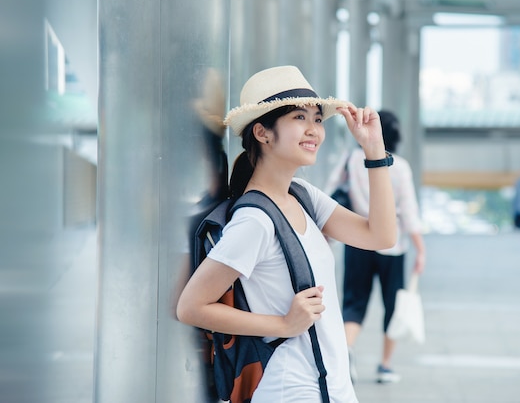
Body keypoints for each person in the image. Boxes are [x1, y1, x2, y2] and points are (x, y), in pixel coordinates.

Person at [176, 65, 397, 403]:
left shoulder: (303, 196)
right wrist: (282, 324)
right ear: (263, 133)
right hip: (291, 390)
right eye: (299, 118)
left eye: (318, 120)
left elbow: (381, 236)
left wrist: (374, 152)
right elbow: (191, 307)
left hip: (332, 387)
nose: (314, 130)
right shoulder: (255, 220)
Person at [326, 109, 426, 384]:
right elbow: (408, 211)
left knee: (354, 301)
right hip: (392, 246)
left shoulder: (351, 159)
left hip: (357, 240)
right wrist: (420, 249)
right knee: (392, 304)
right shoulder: (401, 167)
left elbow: (331, 190)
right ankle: (385, 365)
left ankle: (346, 352)